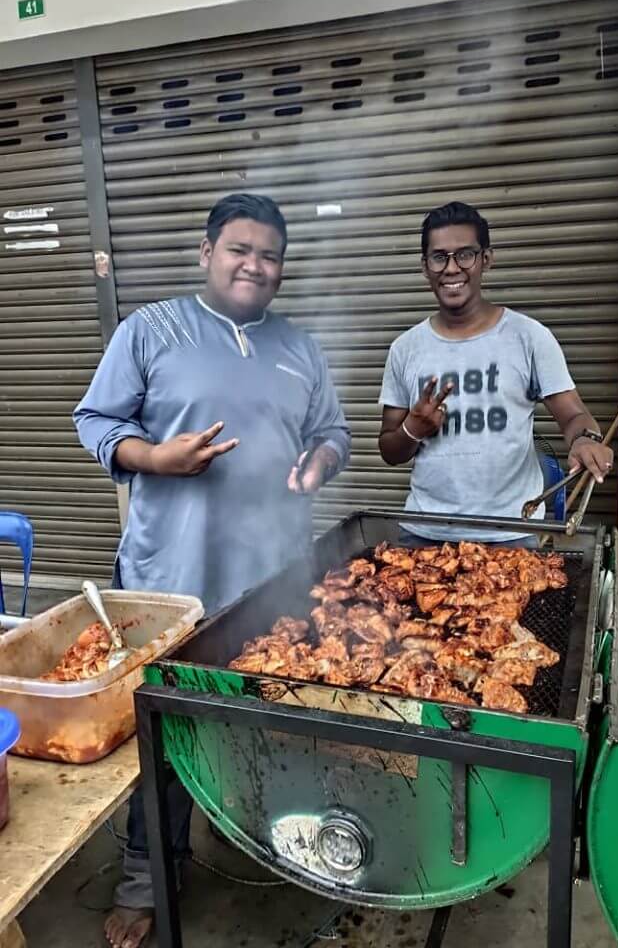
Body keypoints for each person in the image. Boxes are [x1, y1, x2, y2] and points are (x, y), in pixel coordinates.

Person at [74, 193, 350, 948]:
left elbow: (332, 431)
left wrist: (320, 462)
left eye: (270, 256)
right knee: (162, 739)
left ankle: (277, 846)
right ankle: (146, 881)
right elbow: (95, 421)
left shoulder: (300, 347)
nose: (255, 266)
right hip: (171, 582)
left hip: (272, 581)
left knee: (273, 726)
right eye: (239, 249)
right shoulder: (151, 330)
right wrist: (154, 457)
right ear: (206, 253)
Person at [378, 201, 613, 546]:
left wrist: (585, 439)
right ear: (425, 266)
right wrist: (413, 429)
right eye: (439, 257)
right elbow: (389, 450)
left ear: (486, 259)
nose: (452, 268)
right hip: (424, 532)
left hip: (511, 533)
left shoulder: (528, 337)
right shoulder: (405, 348)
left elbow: (574, 415)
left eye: (465, 255)